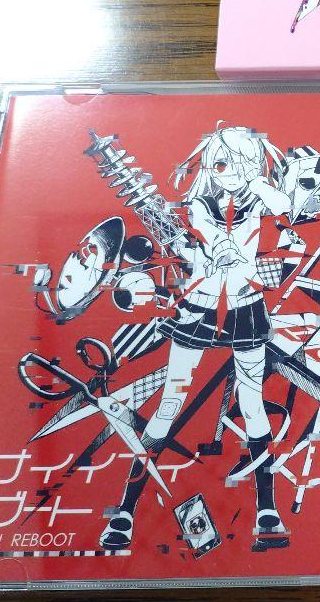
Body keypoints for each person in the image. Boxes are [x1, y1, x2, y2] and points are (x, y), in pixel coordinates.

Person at [100, 125, 292, 552]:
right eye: (222, 163)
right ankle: (126, 512)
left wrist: (258, 182)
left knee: (253, 405)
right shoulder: (200, 204)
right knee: (170, 404)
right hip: (200, 308)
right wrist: (219, 248)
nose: (231, 172)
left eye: (243, 163)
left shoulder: (257, 199)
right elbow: (207, 230)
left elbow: (287, 206)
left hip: (245, 309)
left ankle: (267, 509)